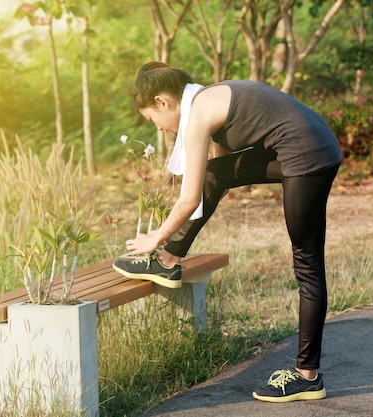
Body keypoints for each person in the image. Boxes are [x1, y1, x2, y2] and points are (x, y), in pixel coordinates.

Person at [113, 61, 342, 402]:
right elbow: (221, 168)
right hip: (312, 142)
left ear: (163, 102)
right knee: (214, 174)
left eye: (153, 120)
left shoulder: (199, 114)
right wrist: (216, 184)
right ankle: (169, 259)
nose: (160, 130)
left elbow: (189, 199)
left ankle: (307, 377)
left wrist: (155, 236)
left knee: (306, 264)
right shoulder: (207, 99)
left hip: (308, 155)